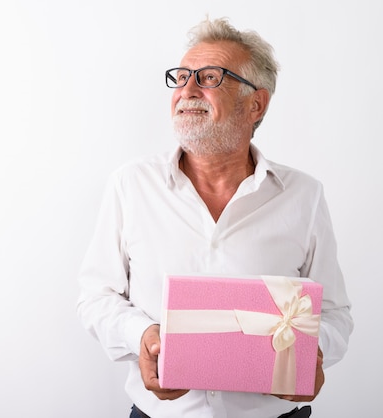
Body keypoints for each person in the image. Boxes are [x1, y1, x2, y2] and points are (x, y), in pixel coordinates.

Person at [76, 17, 353, 418]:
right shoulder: (130, 185)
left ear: (255, 103)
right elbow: (96, 297)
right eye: (181, 77)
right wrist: (142, 336)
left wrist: (313, 351)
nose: (186, 91)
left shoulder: (304, 196)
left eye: (208, 77)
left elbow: (335, 313)